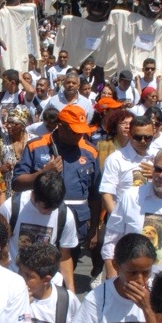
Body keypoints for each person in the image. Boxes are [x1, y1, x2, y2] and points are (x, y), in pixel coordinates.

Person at [13, 104, 101, 256]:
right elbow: (17, 184)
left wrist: (94, 228)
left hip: (75, 227)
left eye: (81, 132)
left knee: (67, 271)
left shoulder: (90, 152)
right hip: (41, 222)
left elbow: (95, 195)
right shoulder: (36, 146)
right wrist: (43, 173)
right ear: (61, 126)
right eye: (74, 132)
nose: (79, 136)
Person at [102, 146, 162, 277]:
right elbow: (111, 241)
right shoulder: (131, 197)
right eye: (158, 169)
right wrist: (113, 278)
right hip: (132, 283)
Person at [0, 170, 79, 291]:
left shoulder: (65, 215)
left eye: (53, 209)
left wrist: (71, 290)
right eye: (44, 208)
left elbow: (65, 256)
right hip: (14, 282)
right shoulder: (12, 208)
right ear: (34, 194)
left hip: (47, 286)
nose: (48, 212)